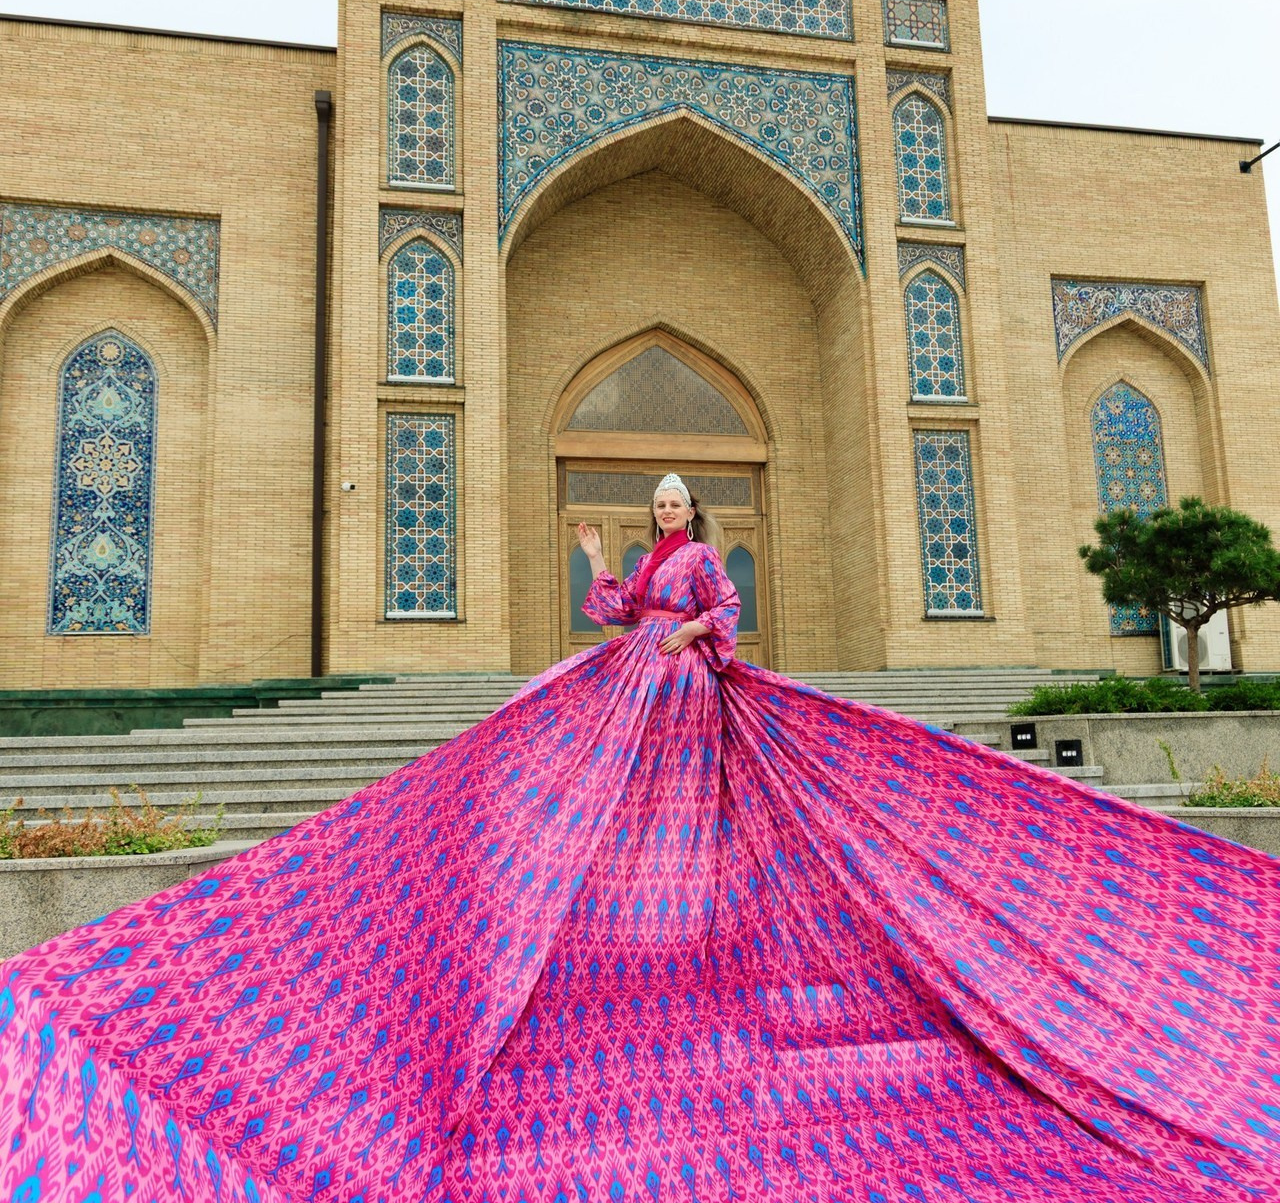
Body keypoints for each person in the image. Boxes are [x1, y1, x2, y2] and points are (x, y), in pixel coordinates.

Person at [1, 472, 1276, 1203]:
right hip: (624, 704)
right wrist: (596, 565)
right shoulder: (647, 554)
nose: (665, 508)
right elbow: (610, 610)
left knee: (699, 852)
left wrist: (682, 635)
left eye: (672, 499)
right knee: (593, 847)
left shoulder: (709, 562)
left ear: (695, 502)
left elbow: (725, 618)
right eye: (655, 502)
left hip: (684, 708)